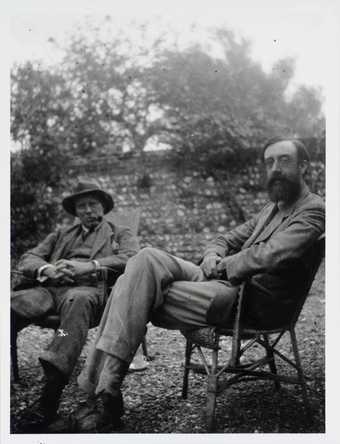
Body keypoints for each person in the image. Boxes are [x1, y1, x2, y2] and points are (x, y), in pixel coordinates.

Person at [70, 139, 324, 432]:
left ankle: (102, 394)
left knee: (130, 289)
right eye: (270, 162)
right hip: (224, 285)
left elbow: (272, 254)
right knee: (145, 259)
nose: (275, 169)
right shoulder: (271, 208)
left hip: (249, 303)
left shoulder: (313, 210)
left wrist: (223, 265)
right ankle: (104, 394)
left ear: (303, 166)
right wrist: (213, 254)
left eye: (284, 160)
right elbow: (227, 238)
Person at [11, 178, 139, 424]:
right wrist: (47, 269)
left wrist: (88, 266)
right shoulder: (61, 234)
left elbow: (132, 257)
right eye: (82, 207)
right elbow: (28, 258)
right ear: (76, 212)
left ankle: (49, 398)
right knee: (11, 304)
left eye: (92, 204)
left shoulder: (118, 233)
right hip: (49, 291)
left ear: (103, 207)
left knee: (73, 310)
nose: (88, 210)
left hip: (87, 292)